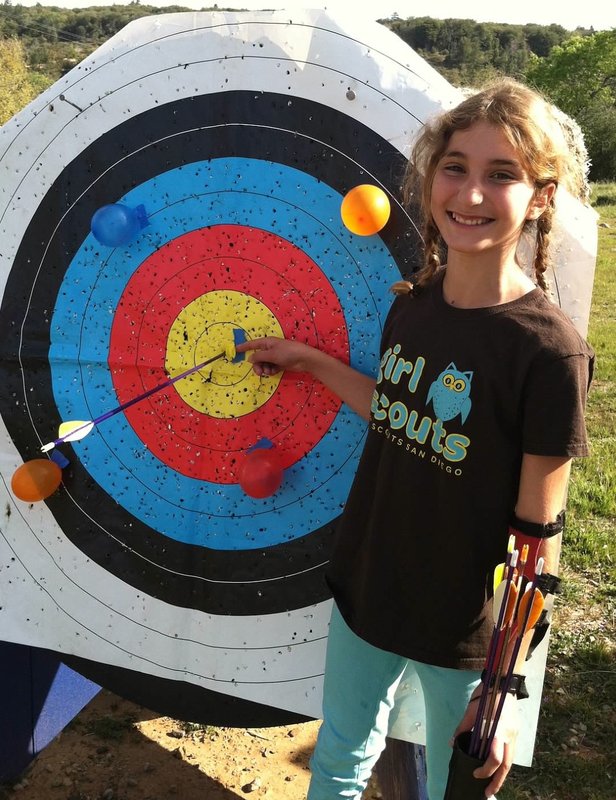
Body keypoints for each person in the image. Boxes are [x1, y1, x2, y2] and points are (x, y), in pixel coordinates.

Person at [237, 78, 595, 799]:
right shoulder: (415, 305)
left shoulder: (548, 353)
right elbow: (400, 413)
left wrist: (496, 689)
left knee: (450, 789)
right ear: (431, 178)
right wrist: (311, 363)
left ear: (542, 196)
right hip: (370, 587)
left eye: (503, 175)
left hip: (464, 629)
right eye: (455, 166)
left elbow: (538, 541)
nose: (469, 194)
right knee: (337, 761)